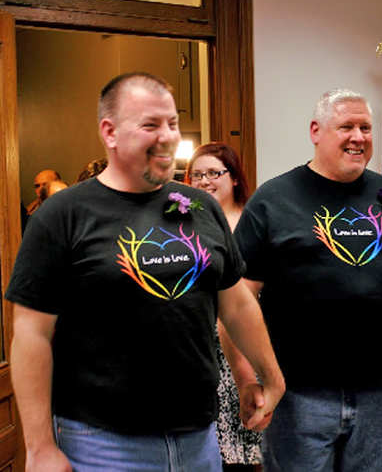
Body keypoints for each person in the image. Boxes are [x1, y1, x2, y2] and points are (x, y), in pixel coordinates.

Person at [6, 72, 285, 471]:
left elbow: (236, 303)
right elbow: (32, 334)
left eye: (172, 123)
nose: (168, 136)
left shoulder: (200, 207)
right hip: (101, 443)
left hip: (198, 438)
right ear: (110, 132)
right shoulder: (62, 215)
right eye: (150, 124)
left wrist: (265, 376)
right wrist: (38, 447)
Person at [233, 88, 382, 472]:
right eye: (346, 126)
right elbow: (236, 300)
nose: (359, 137)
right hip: (298, 395)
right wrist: (248, 378)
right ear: (316, 131)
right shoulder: (274, 199)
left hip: (379, 394)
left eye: (365, 127)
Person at [186, 142, 262, 472]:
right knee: (214, 448)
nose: (204, 181)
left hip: (249, 342)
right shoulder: (182, 226)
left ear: (233, 178)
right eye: (197, 175)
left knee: (255, 443)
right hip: (201, 348)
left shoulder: (254, 222)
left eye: (214, 173)